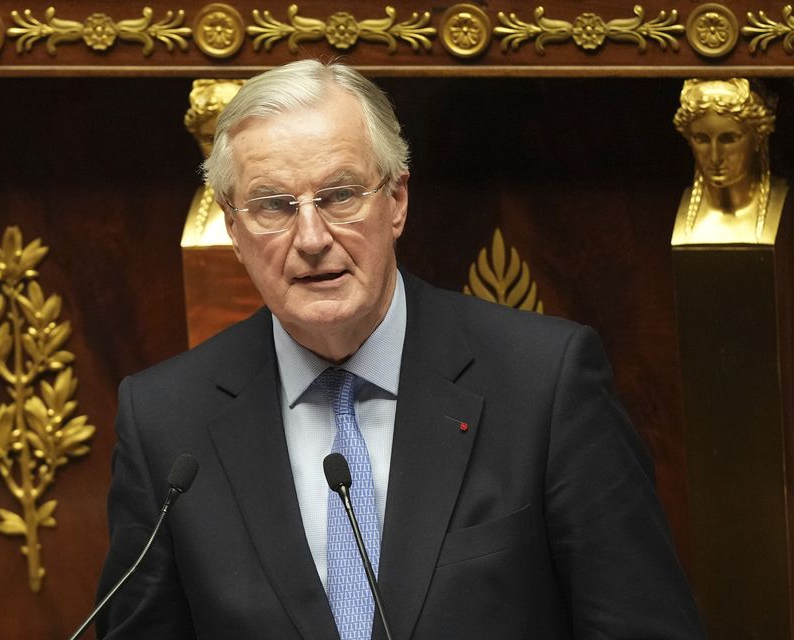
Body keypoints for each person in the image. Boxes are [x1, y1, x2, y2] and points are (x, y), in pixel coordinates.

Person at [97, 60, 704, 639]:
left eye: (339, 195)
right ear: (233, 230)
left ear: (396, 202)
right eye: (273, 207)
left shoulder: (545, 383)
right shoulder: (166, 422)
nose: (311, 239)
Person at [672, 77, 787, 245]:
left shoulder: (782, 204)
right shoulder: (680, 214)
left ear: (758, 138)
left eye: (729, 139)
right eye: (701, 139)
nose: (715, 157)